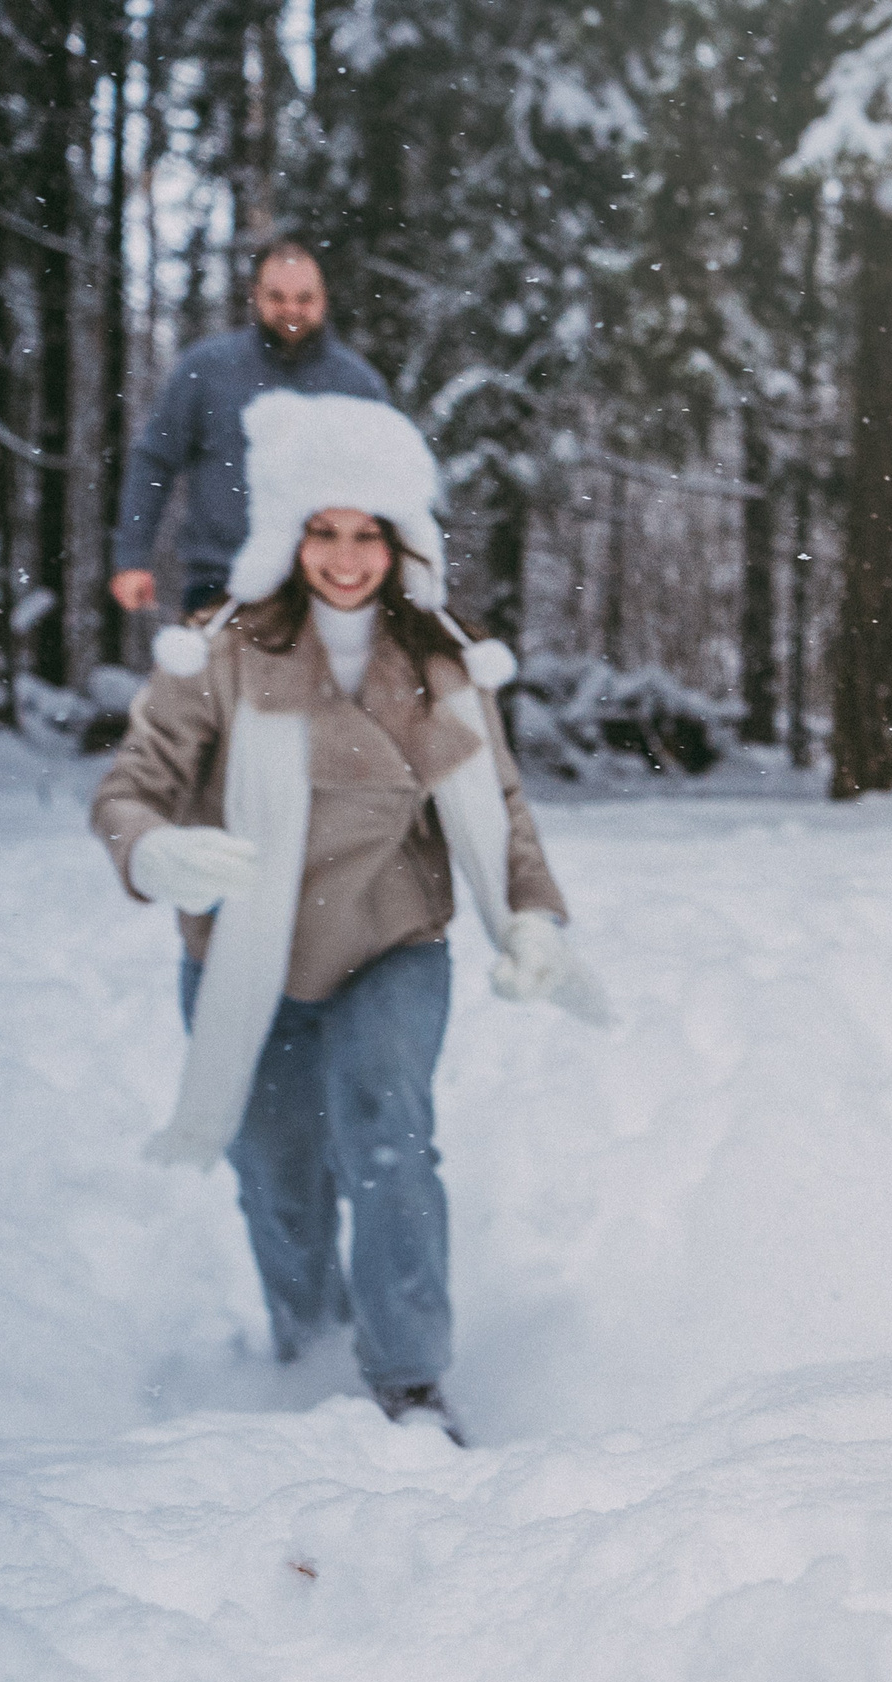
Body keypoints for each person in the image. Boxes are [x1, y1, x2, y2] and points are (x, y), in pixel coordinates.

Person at [93, 391, 606, 1444]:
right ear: (289, 538)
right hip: (246, 955)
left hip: (389, 943)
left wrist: (533, 917)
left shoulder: (435, 667)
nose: (342, 555)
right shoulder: (224, 654)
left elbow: (501, 809)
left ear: (399, 542)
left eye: (364, 533)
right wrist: (153, 848)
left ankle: (409, 1380)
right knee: (279, 1181)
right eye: (321, 531)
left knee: (387, 1133)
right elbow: (129, 786)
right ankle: (311, 1345)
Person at [110, 237, 393, 621]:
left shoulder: (360, 386)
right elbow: (155, 461)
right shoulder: (206, 369)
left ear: (324, 298)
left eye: (304, 298)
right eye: (277, 297)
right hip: (221, 584)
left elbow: (390, 495)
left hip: (329, 593)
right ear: (256, 296)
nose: (291, 309)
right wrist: (132, 558)